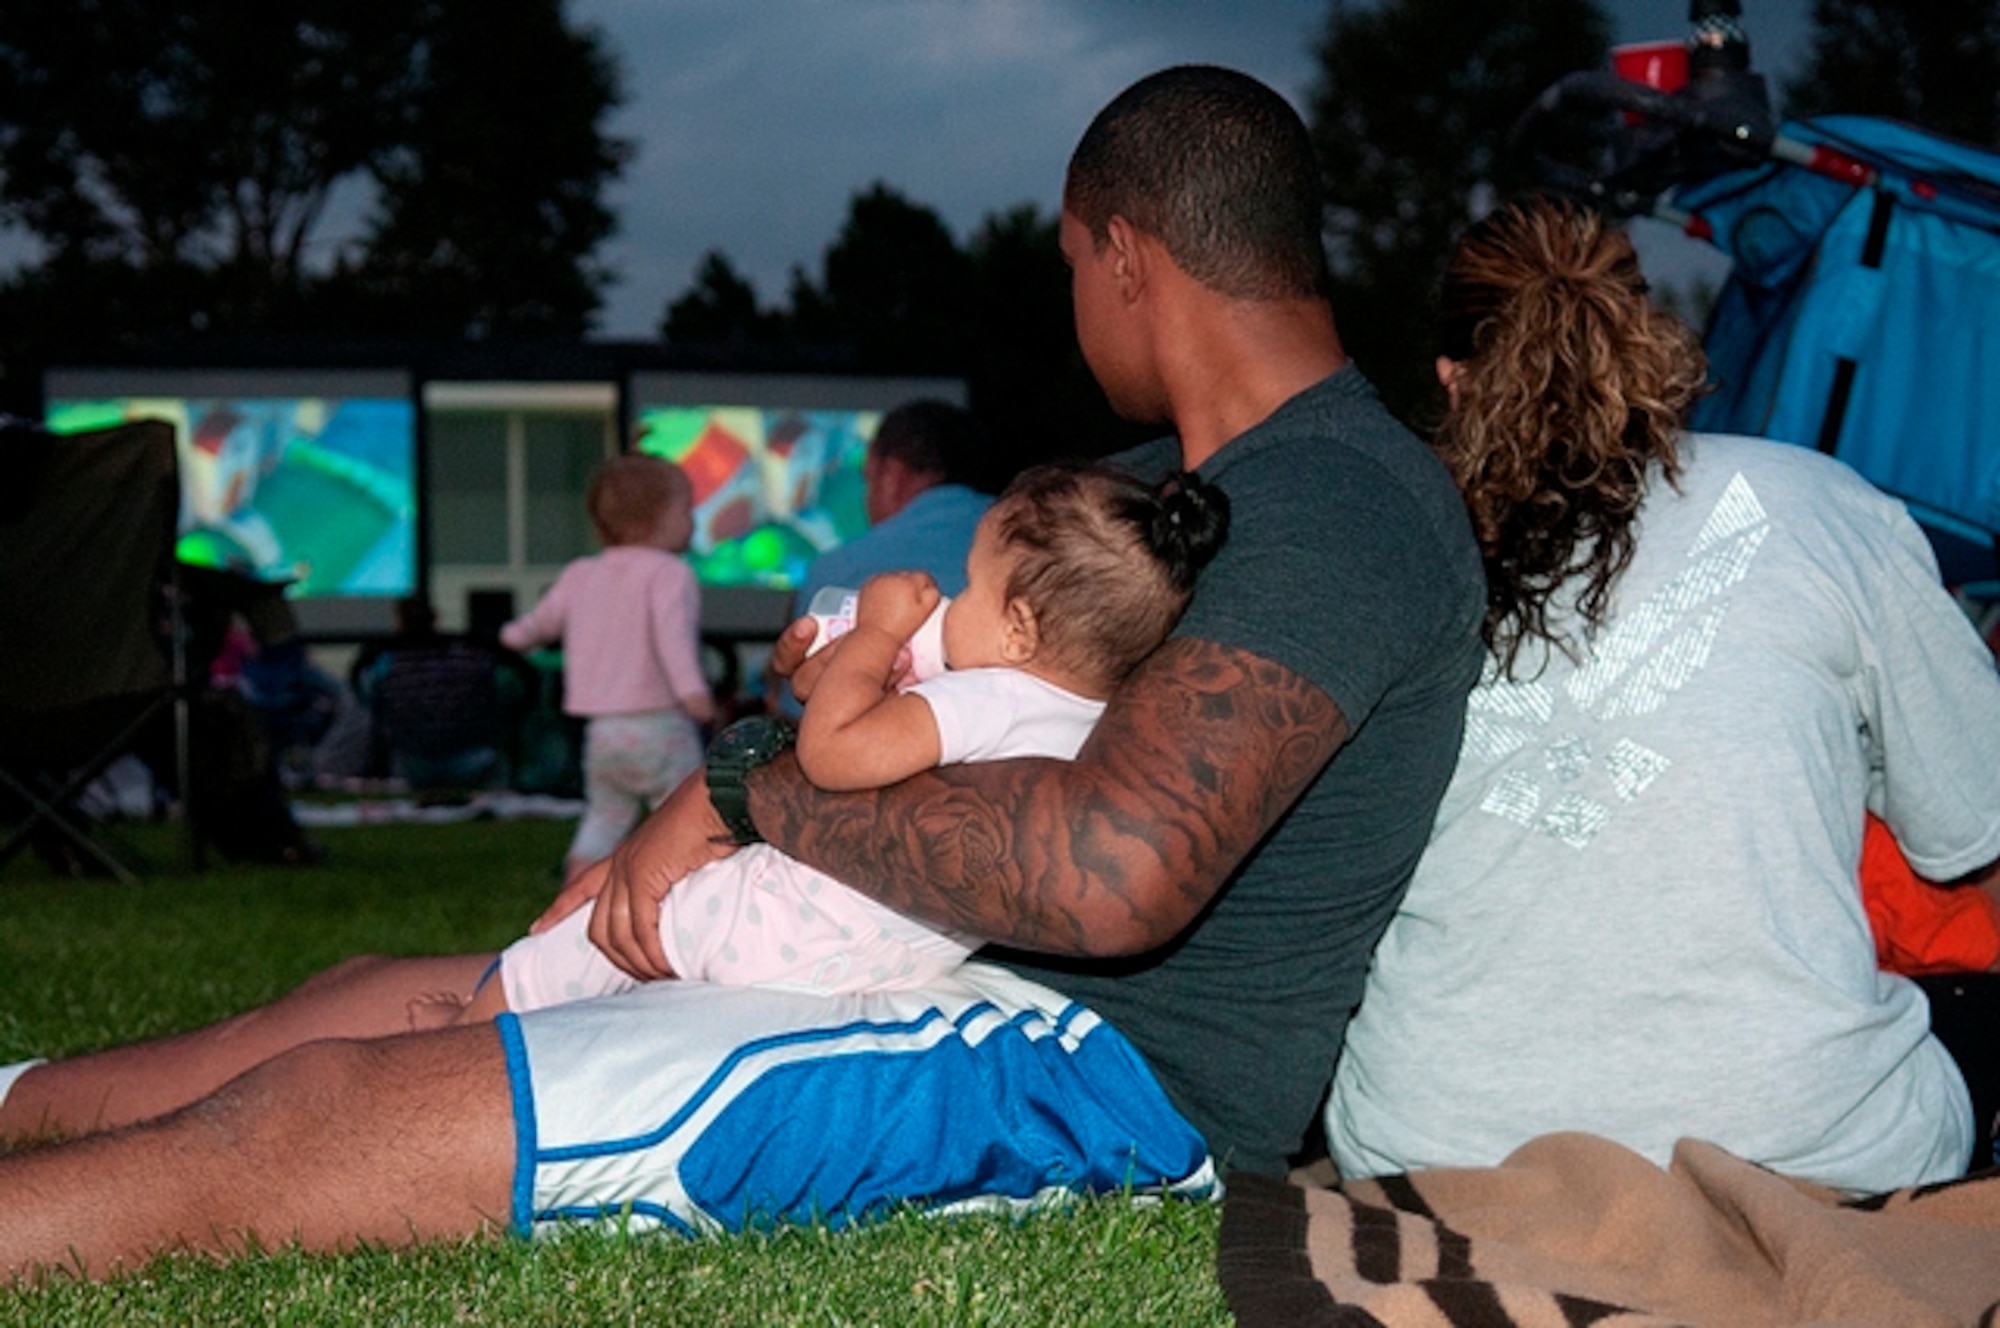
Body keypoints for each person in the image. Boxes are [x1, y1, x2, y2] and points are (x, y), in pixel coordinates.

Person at [0, 65, 1486, 1279]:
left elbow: (1112, 870)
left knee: (338, 1105)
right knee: (355, 997)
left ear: (1122, 254)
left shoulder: (1339, 508)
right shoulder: (1146, 499)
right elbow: (913, 696)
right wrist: (708, 812)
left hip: (1077, 1070)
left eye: (1066, 264)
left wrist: (739, 797)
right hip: (899, 949)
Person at [1323, 198, 2000, 1195]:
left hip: (1431, 1142)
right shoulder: (1821, 504)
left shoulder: (1383, 561)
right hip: (1803, 1141)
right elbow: (1976, 829)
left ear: (1452, 379)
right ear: (1645, 345)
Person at [426, 463, 1228, 1024]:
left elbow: (833, 753)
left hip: (776, 923)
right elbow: (838, 699)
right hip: (875, 961)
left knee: (581, 941)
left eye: (974, 587)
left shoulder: (989, 695)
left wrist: (879, 630)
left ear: (1020, 629)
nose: (953, 596)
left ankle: (470, 1025)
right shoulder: (1076, 714)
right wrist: (856, 659)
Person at [499, 454, 718, 881]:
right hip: (662, 728)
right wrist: (696, 697)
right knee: (683, 822)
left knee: (603, 820)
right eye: (686, 509)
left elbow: (536, 627)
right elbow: (672, 641)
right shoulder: (670, 573)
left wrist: (508, 636)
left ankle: (572, 901)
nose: (692, 520)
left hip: (603, 735)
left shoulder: (581, 573)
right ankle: (685, 905)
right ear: (660, 516)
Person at [780, 399, 994, 717]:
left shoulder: (838, 569)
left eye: (867, 480)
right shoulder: (1035, 544)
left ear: (891, 475)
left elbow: (797, 713)